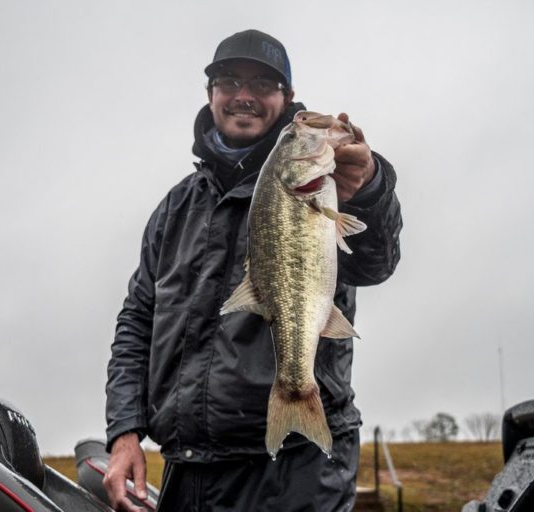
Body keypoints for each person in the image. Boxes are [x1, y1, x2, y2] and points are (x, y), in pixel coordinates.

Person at [103, 29, 402, 512]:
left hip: (296, 476)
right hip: (187, 471)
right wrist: (124, 431)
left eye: (262, 84)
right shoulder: (175, 208)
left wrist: (368, 186)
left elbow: (376, 260)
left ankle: (296, 405)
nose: (244, 95)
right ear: (211, 94)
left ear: (286, 97)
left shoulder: (330, 187)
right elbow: (137, 321)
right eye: (229, 81)